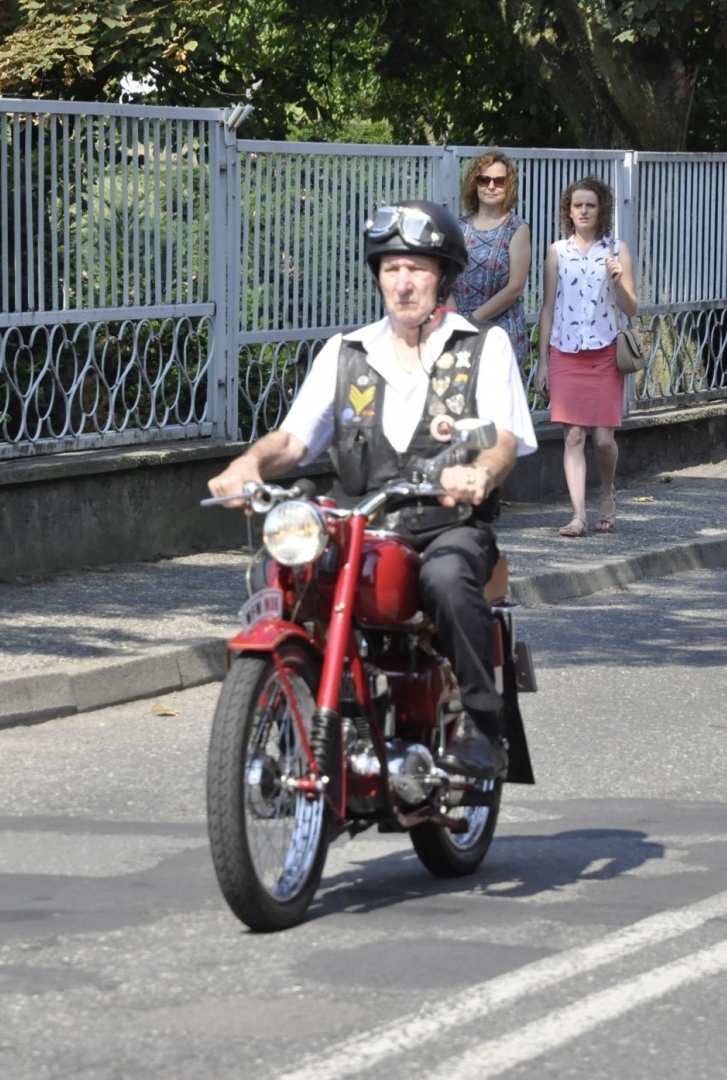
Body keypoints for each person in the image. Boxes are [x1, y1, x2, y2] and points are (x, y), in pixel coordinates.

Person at [207, 201, 539, 780]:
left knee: (447, 579)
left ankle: (484, 726)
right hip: (358, 523)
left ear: (443, 276)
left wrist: (480, 474)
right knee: (277, 569)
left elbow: (504, 438)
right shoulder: (347, 352)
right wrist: (248, 464)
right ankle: (304, 700)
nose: (403, 283)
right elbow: (293, 439)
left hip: (445, 525)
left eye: (417, 269)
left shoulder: (482, 347)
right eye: (391, 268)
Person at [534, 176, 638, 537]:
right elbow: (548, 308)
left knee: (604, 440)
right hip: (565, 353)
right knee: (574, 437)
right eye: (577, 205)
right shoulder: (556, 251)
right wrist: (543, 361)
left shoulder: (617, 250)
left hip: (605, 352)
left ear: (601, 209)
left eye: (590, 205)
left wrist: (617, 280)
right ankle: (578, 514)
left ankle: (607, 493)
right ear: (568, 210)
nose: (583, 211)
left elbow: (631, 308)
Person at [455, 152, 532, 368]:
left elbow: (515, 288)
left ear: (509, 186)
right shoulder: (459, 227)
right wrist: (456, 325)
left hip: (502, 334)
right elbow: (446, 279)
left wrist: (472, 321)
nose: (491, 186)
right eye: (484, 179)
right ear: (475, 184)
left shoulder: (517, 229)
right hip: (460, 334)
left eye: (499, 181)